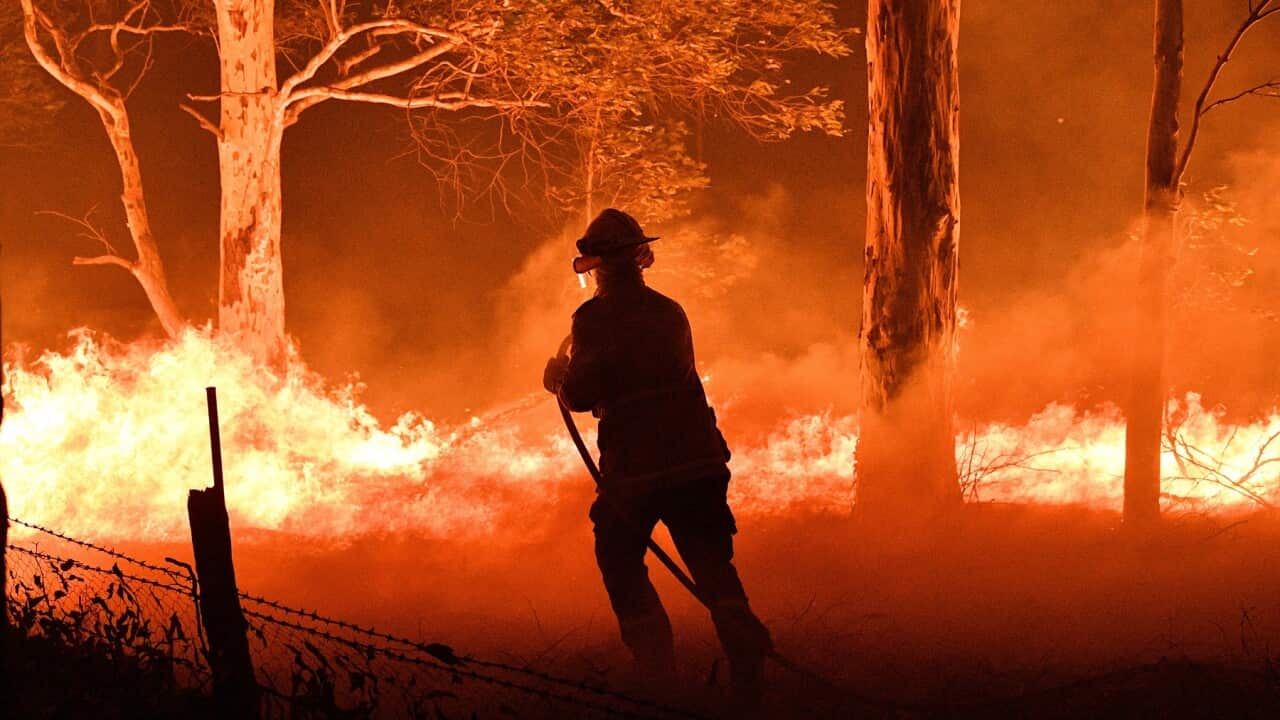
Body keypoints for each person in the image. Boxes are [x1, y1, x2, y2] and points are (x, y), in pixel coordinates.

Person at [542, 208, 773, 705]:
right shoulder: (670, 312)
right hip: (697, 463)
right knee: (711, 565)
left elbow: (580, 395)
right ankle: (748, 666)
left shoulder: (593, 319)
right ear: (639, 258)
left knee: (618, 556)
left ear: (599, 265)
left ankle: (657, 674)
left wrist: (557, 379)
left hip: (637, 470)